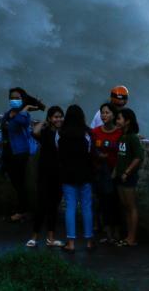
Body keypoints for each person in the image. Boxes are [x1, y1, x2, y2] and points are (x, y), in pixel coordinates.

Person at [1, 87, 45, 222]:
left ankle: (22, 210)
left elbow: (22, 122)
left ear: (22, 100)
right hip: (8, 151)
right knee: (15, 181)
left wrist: (26, 109)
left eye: (17, 98)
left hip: (20, 152)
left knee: (19, 182)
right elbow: (5, 127)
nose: (14, 100)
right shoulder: (8, 114)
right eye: (12, 98)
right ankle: (21, 208)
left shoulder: (24, 115)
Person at [57, 105, 95, 252]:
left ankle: (71, 243)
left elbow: (58, 152)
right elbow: (90, 152)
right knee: (86, 207)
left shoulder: (61, 134)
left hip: (67, 175)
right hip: (85, 174)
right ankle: (89, 241)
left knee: (70, 207)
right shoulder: (87, 133)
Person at [26, 106, 65, 248]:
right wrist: (44, 122)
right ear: (50, 118)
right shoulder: (46, 132)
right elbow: (34, 132)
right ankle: (34, 237)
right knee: (41, 205)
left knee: (53, 208)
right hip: (44, 174)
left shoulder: (64, 134)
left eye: (60, 116)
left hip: (59, 175)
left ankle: (50, 238)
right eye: (55, 116)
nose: (59, 119)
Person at [91, 103, 123, 244]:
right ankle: (108, 234)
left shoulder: (120, 133)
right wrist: (98, 155)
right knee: (103, 203)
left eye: (107, 113)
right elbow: (91, 150)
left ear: (114, 115)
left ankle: (117, 232)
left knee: (115, 203)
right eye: (102, 113)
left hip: (115, 172)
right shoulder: (96, 132)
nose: (104, 115)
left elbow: (123, 154)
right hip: (100, 173)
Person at [114, 107, 143, 247]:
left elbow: (138, 157)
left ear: (128, 121)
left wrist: (127, 172)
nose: (117, 121)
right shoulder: (122, 136)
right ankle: (128, 236)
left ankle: (132, 238)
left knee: (131, 207)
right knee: (125, 206)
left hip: (128, 177)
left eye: (119, 118)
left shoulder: (132, 138)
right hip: (120, 176)